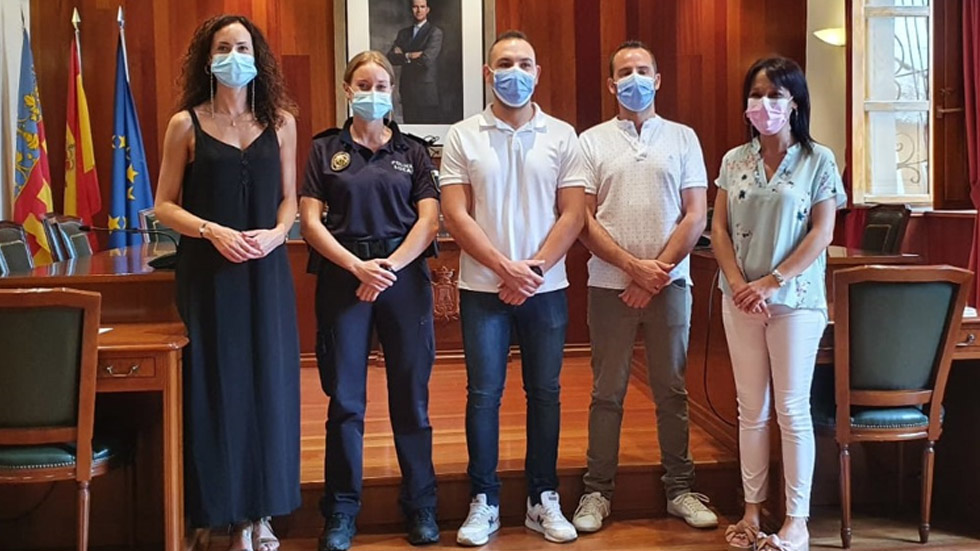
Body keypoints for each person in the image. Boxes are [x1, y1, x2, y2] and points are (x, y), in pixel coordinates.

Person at [153, 14, 300, 551]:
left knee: (269, 387)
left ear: (257, 58)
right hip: (209, 274)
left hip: (265, 271)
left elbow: (289, 199)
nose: (233, 56)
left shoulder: (281, 123)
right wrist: (211, 230)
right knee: (220, 388)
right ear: (207, 58)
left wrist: (278, 234)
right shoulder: (185, 125)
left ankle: (262, 513)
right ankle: (228, 516)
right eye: (223, 48)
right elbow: (164, 204)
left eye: (242, 47)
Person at [440, 30, 586, 547]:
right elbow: (455, 213)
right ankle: (484, 499)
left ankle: (542, 498)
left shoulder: (563, 135)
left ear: (538, 73)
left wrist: (533, 271)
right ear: (488, 73)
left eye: (525, 63)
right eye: (505, 63)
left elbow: (573, 213)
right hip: (483, 289)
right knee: (484, 395)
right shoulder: (463, 135)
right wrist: (505, 268)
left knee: (545, 393)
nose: (515, 72)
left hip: (546, 289)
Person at [572, 40, 718, 535]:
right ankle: (597, 491)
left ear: (657, 80)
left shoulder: (683, 137)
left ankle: (680, 489)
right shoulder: (590, 142)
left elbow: (695, 214)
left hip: (670, 284)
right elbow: (582, 218)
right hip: (608, 285)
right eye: (624, 72)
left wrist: (656, 273)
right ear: (611, 84)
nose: (633, 79)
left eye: (642, 71)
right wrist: (632, 268)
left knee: (672, 390)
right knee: (606, 392)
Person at [299, 50, 441, 551]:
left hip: (403, 277)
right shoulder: (324, 150)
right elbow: (310, 222)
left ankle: (421, 505)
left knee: (411, 399)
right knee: (345, 402)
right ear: (347, 90)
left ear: (393, 91)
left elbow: (429, 221)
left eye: (382, 85)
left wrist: (387, 270)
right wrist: (357, 268)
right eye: (363, 84)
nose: (373, 93)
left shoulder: (413, 151)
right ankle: (340, 512)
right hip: (345, 278)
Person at [712, 57, 845, 551]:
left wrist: (772, 281)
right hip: (740, 299)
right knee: (751, 408)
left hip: (795, 300)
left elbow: (822, 232)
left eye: (774, 95)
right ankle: (751, 512)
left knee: (791, 408)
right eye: (756, 94)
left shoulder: (818, 160)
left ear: (794, 103)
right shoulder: (734, 160)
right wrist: (738, 283)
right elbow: (719, 229)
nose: (764, 104)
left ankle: (795, 521)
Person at [386, 0, 443, 124]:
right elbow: (391, 57)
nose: (419, 10)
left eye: (422, 7)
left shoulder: (434, 32)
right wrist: (410, 55)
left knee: (426, 130)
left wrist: (403, 55)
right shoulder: (403, 33)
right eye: (415, 7)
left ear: (427, 10)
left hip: (425, 92)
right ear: (411, 9)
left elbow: (426, 60)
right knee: (409, 129)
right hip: (407, 90)